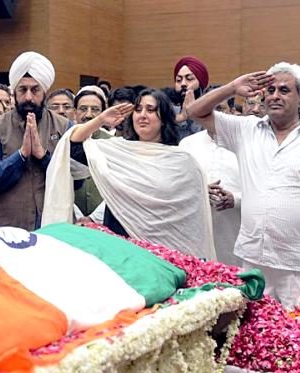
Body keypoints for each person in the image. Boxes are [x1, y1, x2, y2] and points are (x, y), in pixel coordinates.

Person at [186, 62, 300, 315]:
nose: (274, 95)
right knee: (254, 334)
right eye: (270, 90)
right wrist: (232, 88)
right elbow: (194, 111)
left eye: (284, 90)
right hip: (254, 259)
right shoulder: (246, 130)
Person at [52, 89, 214, 259]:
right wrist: (100, 120)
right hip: (120, 249)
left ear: (164, 119)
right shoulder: (118, 150)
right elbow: (73, 145)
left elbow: (191, 219)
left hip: (165, 254)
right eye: (138, 110)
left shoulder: (182, 161)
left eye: (150, 110)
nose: (142, 115)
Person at [0, 51, 72, 230]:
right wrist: (21, 156)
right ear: (14, 91)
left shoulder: (64, 127)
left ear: (45, 91)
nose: (28, 96)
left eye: (35, 90)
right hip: (7, 231)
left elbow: (76, 181)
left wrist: (43, 156)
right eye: (22, 89)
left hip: (54, 228)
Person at [179, 98, 243, 266]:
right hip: (196, 232)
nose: (214, 115)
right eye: (208, 109)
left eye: (220, 109)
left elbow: (262, 189)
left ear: (232, 112)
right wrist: (199, 190)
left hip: (236, 232)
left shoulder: (246, 143)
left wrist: (235, 199)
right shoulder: (187, 144)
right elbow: (177, 188)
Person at [71, 86, 108, 218]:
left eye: (95, 109)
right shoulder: (63, 142)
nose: (88, 115)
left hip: (105, 218)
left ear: (104, 113)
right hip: (68, 216)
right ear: (74, 112)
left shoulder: (112, 142)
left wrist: (95, 218)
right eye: (83, 109)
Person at [173, 56, 209, 139]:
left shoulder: (211, 115)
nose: (183, 84)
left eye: (189, 79)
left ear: (201, 84)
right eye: (178, 80)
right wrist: (180, 117)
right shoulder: (168, 112)